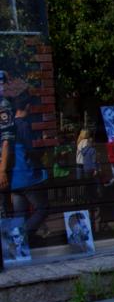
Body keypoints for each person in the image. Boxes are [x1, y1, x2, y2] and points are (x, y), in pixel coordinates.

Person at [10, 92, 49, 238]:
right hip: (27, 175)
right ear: (28, 106)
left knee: (19, 214)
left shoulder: (10, 126)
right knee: (42, 209)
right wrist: (43, 146)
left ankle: (19, 246)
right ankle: (22, 236)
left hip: (14, 177)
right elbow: (31, 151)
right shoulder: (24, 125)